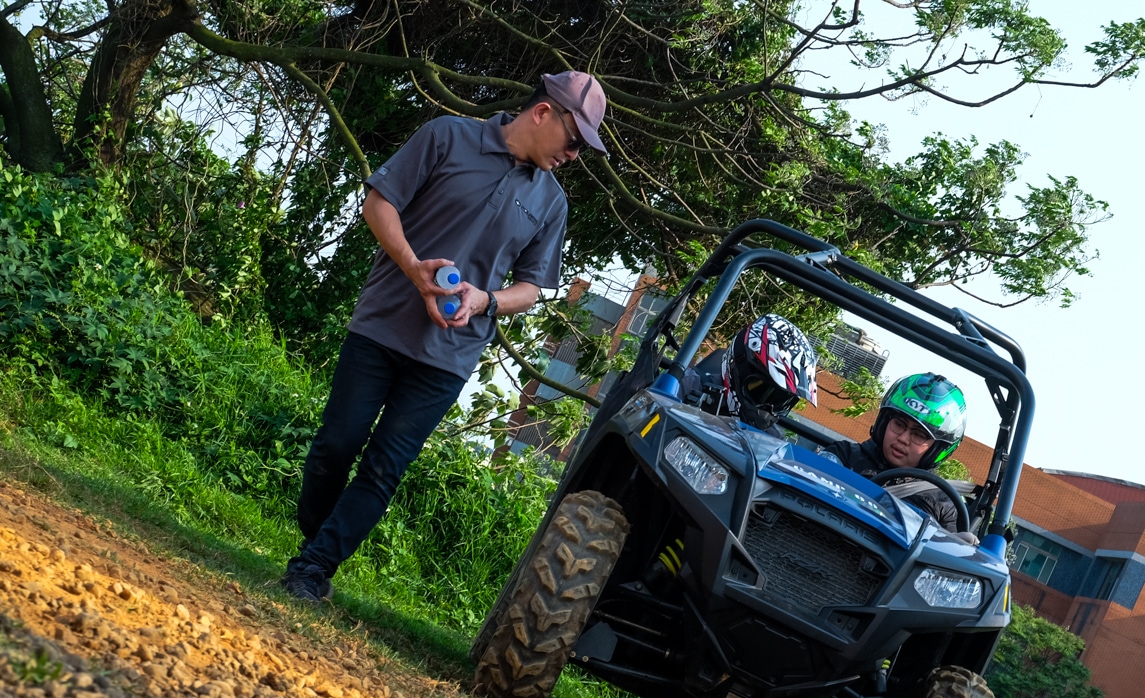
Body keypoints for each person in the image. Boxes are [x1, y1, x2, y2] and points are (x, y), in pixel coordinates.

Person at [281, 72, 608, 602]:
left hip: (448, 358)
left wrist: (486, 300)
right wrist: (413, 269)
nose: (575, 155)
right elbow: (378, 204)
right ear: (545, 113)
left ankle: (313, 569)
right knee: (333, 448)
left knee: (385, 468)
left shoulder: (551, 204)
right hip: (381, 326)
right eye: (575, 141)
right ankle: (316, 541)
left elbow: (531, 288)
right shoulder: (446, 136)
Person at [819, 372, 969, 534]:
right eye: (899, 424)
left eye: (919, 434)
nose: (903, 438)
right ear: (884, 422)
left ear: (937, 449)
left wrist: (959, 543)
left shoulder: (943, 504)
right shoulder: (844, 456)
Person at [682, 314, 819, 431]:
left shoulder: (770, 443)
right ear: (739, 368)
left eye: (780, 402)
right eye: (760, 391)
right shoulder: (687, 387)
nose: (767, 412)